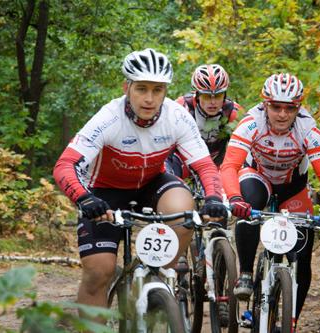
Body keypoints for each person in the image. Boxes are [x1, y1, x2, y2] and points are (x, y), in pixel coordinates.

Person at [53, 48, 228, 318]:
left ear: (166, 91)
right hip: (104, 192)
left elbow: (203, 165)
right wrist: (83, 197)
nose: (149, 99)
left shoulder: (176, 116)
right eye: (141, 89)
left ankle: (155, 280)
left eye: (157, 90)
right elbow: (65, 165)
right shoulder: (109, 118)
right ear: (127, 87)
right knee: (99, 271)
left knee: (184, 211)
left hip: (151, 183)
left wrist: (214, 198)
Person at [220, 73, 320, 324]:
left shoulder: (307, 128)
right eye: (276, 107)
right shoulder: (252, 122)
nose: (282, 114)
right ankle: (245, 272)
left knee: (303, 256)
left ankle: (292, 321)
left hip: (292, 188)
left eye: (290, 108)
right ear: (265, 104)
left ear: (298, 108)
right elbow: (229, 165)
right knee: (249, 204)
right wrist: (234, 198)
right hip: (258, 177)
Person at [165, 64, 242, 178]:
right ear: (197, 95)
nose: (213, 102)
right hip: (185, 162)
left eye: (218, 95)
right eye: (206, 96)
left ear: (225, 95)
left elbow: (242, 150)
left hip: (216, 165)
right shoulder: (181, 107)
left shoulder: (233, 112)